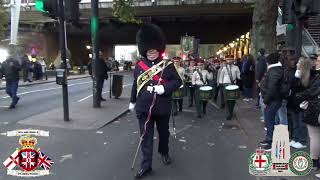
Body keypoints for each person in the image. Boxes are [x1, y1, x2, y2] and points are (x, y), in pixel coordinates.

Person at [128, 24, 182, 179]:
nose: (151, 52)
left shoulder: (168, 65)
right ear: (144, 49)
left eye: (154, 50)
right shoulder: (139, 66)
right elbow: (136, 85)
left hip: (162, 108)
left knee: (163, 134)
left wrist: (163, 88)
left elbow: (177, 82)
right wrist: (132, 102)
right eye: (148, 50)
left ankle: (164, 152)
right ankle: (146, 166)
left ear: (159, 49)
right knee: (145, 138)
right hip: (144, 109)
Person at [294, 57, 320, 171]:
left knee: (314, 136)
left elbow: (312, 91)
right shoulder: (315, 73)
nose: (316, 62)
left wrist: (299, 96)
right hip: (314, 107)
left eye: (319, 60)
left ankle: (314, 161)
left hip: (315, 108)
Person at [260, 53, 283, 151]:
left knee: (270, 121)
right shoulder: (274, 70)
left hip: (273, 100)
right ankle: (268, 139)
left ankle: (271, 142)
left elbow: (272, 88)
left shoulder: (274, 71)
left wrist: (265, 101)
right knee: (269, 120)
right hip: (272, 100)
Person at [287, 57, 308, 149]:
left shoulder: (308, 76)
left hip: (302, 102)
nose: (296, 64)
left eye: (299, 63)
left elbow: (303, 88)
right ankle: (295, 138)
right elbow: (292, 87)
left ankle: (302, 141)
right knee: (294, 122)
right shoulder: (295, 74)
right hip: (294, 101)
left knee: (301, 122)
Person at [218, 55, 241, 120]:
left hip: (233, 85)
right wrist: (221, 83)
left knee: (233, 99)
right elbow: (221, 76)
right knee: (227, 99)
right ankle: (229, 114)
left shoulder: (236, 67)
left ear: (233, 60)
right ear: (226, 60)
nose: (229, 60)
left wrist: (240, 77)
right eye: (228, 59)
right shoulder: (224, 68)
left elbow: (239, 76)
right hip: (225, 84)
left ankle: (231, 110)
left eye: (231, 59)